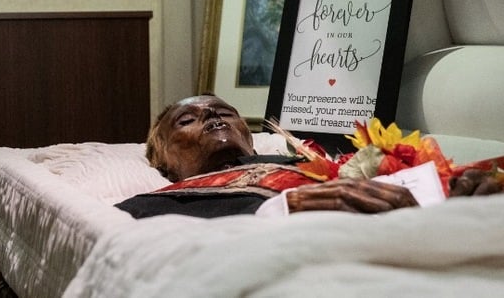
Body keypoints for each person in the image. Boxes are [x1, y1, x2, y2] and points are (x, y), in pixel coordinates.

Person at [116, 94, 502, 219]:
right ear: (161, 161)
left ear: (251, 140)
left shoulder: (315, 165)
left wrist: (454, 185)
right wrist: (288, 206)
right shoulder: (155, 205)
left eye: (225, 111)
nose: (213, 116)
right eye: (187, 119)